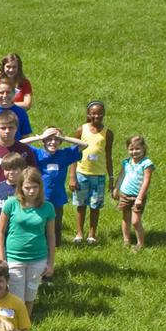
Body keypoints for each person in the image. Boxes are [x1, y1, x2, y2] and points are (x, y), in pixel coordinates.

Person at [0, 167, 56, 318]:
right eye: (27, 187)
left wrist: (51, 262)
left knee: (30, 295)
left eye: (35, 187)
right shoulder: (11, 204)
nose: (31, 191)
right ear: (20, 187)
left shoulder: (48, 207)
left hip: (38, 258)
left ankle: (25, 325)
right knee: (16, 297)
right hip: (14, 258)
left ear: (40, 187)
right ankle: (13, 326)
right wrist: (1, 257)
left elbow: (51, 235)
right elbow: (0, 232)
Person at [69, 100, 115, 245]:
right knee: (81, 205)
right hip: (82, 173)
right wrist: (72, 177)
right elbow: (73, 154)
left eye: (100, 113)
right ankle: (79, 233)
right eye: (94, 113)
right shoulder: (81, 130)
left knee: (95, 206)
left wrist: (111, 176)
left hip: (99, 175)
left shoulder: (107, 133)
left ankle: (92, 234)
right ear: (88, 114)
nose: (97, 116)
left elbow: (108, 155)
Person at [113, 134, 154, 251]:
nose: (134, 152)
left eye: (137, 149)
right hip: (125, 194)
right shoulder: (127, 162)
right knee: (126, 218)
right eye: (131, 149)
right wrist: (116, 188)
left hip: (137, 196)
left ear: (143, 149)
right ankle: (126, 240)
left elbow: (146, 181)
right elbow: (122, 175)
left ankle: (140, 244)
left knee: (135, 221)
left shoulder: (147, 163)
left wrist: (140, 198)